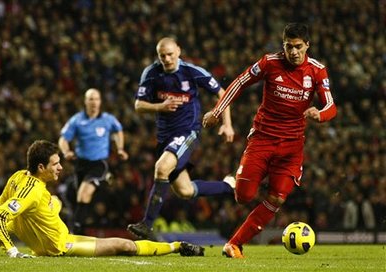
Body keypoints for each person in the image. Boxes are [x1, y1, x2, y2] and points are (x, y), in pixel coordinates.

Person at [203, 23, 337, 258]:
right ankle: (238, 181)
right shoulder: (269, 62)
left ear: (307, 45)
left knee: (276, 198)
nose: (293, 52)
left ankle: (234, 244)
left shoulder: (317, 70)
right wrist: (217, 111)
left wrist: (320, 114)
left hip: (291, 147)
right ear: (282, 45)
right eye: (288, 46)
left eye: (298, 47)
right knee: (244, 196)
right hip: (263, 140)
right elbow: (239, 82)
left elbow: (331, 106)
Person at [0, 140, 204, 258]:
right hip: (61, 248)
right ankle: (177, 246)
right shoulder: (30, 190)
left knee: (55, 202)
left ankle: (178, 246)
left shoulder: (19, 177)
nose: (61, 167)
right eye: (55, 164)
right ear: (41, 167)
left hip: (60, 235)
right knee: (125, 246)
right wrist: (11, 252)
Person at [127, 37, 236, 240]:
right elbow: (139, 105)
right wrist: (160, 106)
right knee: (185, 191)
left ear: (178, 50)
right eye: (162, 56)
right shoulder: (151, 73)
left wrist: (227, 124)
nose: (167, 59)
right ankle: (229, 186)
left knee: (161, 168)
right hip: (164, 138)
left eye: (170, 54)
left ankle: (146, 225)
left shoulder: (192, 72)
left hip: (187, 132)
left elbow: (224, 94)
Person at [58, 88, 129, 234]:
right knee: (78, 198)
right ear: (85, 102)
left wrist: (120, 148)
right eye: (91, 99)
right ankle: (80, 230)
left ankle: (75, 232)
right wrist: (66, 152)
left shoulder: (107, 119)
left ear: (100, 101)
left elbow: (118, 131)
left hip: (99, 164)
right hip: (80, 165)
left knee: (84, 194)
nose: (94, 102)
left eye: (96, 99)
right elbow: (63, 139)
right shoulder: (77, 120)